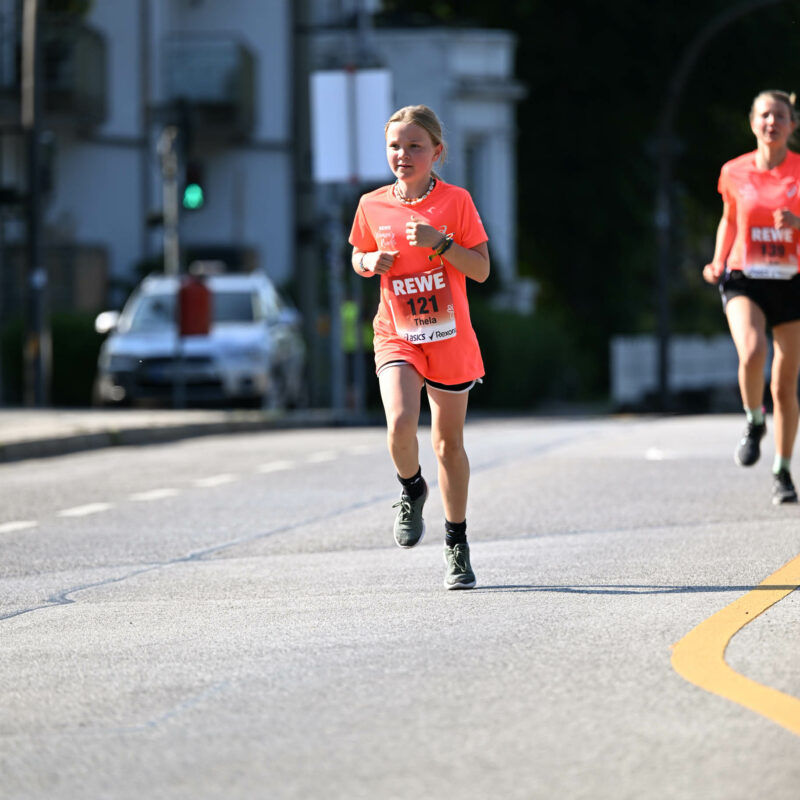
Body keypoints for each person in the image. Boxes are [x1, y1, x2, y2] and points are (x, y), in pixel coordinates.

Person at [349, 104, 490, 588]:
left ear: (437, 152)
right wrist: (370, 260)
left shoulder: (457, 202)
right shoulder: (371, 204)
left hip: (449, 337)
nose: (403, 155)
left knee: (448, 444)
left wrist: (441, 243)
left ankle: (456, 544)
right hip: (397, 334)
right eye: (394, 146)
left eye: (414, 146)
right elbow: (357, 254)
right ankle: (411, 487)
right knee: (399, 422)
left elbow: (481, 269)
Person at [703, 89, 800, 504]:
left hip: (792, 280)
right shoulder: (734, 171)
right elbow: (728, 219)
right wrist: (716, 260)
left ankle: (781, 470)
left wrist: (797, 222)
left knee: (784, 384)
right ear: (753, 122)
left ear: (792, 124)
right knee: (752, 350)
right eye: (765, 115)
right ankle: (753, 419)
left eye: (780, 115)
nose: (771, 122)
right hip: (745, 275)